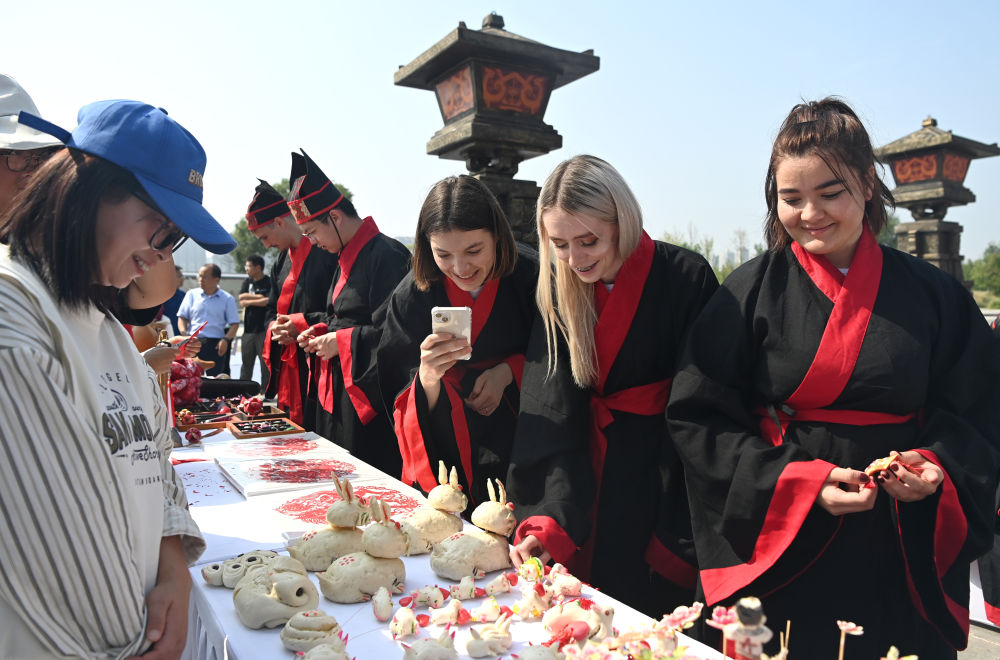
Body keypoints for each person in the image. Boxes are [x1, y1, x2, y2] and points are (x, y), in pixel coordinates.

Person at [666, 98, 1000, 658]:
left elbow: (979, 408)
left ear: (867, 184)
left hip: (896, 534)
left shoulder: (936, 295)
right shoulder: (746, 292)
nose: (810, 213)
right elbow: (697, 417)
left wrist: (938, 467)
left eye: (830, 193)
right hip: (785, 536)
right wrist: (795, 482)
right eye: (791, 198)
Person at [0, 99, 235, 658]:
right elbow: (60, 545)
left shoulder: (104, 326)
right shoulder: (15, 318)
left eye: (175, 240)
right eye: (161, 229)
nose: (161, 255)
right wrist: (140, 643)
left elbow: (156, 455)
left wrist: (173, 566)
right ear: (90, 189)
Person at [505, 155, 719, 617]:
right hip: (581, 461)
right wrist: (550, 516)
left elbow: (706, 402)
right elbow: (550, 403)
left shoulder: (686, 275)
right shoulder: (557, 287)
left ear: (622, 222)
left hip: (661, 467)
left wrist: (679, 529)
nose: (574, 259)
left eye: (588, 241)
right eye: (559, 244)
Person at [378, 175, 539, 507]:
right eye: (443, 254)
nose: (460, 267)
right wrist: (428, 376)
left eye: (474, 250)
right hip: (448, 434)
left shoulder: (531, 275)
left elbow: (560, 351)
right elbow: (395, 378)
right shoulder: (412, 294)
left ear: (497, 236)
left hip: (524, 428)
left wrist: (510, 371)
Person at [288, 150, 410, 474]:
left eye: (312, 232)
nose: (311, 241)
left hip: (367, 400)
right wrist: (320, 331)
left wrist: (341, 341)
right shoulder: (343, 254)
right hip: (339, 389)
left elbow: (397, 334)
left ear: (335, 217)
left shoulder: (387, 255)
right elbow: (341, 318)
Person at [247, 178, 339, 428]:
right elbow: (271, 310)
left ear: (279, 222)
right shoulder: (280, 262)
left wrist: (300, 324)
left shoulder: (327, 252)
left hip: (321, 361)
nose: (266, 245)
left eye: (265, 237)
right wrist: (275, 329)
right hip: (289, 362)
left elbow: (339, 312)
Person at [177, 262, 240, 377]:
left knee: (215, 380)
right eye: (199, 276)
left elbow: (235, 323)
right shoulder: (191, 295)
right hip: (192, 343)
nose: (200, 279)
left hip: (215, 346)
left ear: (216, 279)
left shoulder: (227, 298)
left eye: (204, 277)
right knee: (190, 378)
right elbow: (182, 317)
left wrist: (226, 340)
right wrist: (184, 336)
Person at [238, 253, 272, 387]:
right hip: (248, 330)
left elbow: (268, 301)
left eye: (249, 266)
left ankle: (265, 390)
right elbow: (241, 299)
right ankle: (243, 390)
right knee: (246, 362)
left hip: (263, 329)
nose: (246, 269)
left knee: (265, 363)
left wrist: (250, 300)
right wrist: (260, 297)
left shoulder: (269, 282)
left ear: (258, 267)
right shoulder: (247, 282)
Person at [161, 264, 187, 335]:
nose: (182, 278)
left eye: (182, 276)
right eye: (179, 276)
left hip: (180, 334)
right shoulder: (161, 296)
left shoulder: (184, 295)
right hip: (165, 334)